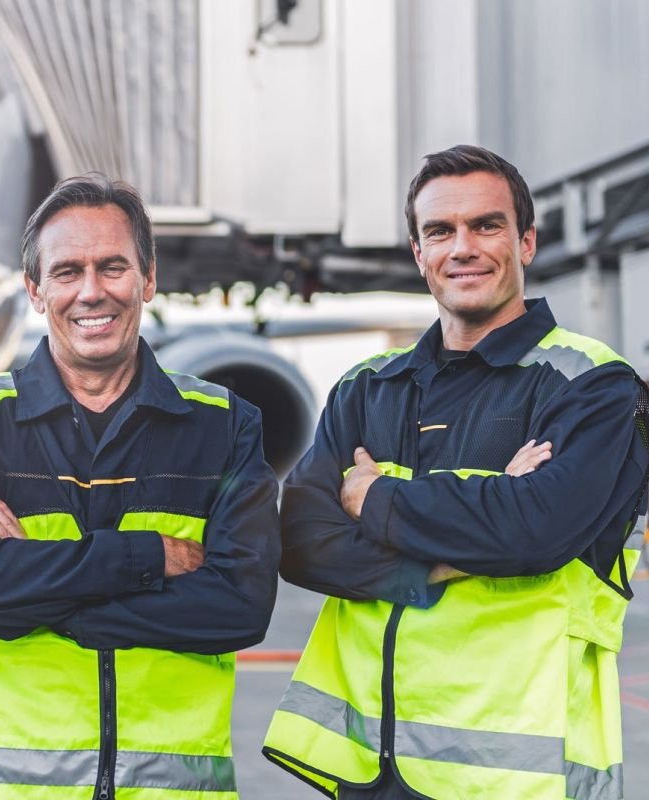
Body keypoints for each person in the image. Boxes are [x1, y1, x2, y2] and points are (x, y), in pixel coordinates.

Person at [263, 145, 649, 799]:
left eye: (486, 226)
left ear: (526, 242)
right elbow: (300, 542)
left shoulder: (594, 386)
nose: (462, 247)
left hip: (520, 775)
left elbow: (536, 532)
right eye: (440, 231)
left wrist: (376, 496)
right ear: (419, 254)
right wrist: (451, 548)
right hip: (371, 767)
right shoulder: (367, 387)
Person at [0, 174, 281, 799]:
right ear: (35, 289)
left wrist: (36, 593)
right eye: (67, 272)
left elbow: (240, 610)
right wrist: (148, 557)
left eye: (113, 267)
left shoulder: (224, 425)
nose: (92, 292)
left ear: (148, 278)